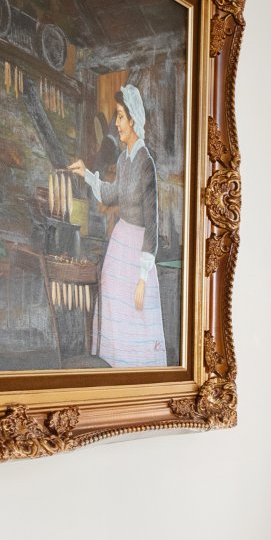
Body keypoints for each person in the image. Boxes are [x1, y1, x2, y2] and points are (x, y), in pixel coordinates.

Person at [68, 85, 166, 367]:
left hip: (137, 253)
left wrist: (142, 277)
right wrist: (87, 174)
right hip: (119, 244)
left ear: (133, 120)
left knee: (134, 318)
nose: (118, 124)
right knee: (112, 308)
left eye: (121, 117)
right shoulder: (124, 160)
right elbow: (111, 195)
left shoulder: (146, 164)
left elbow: (152, 223)